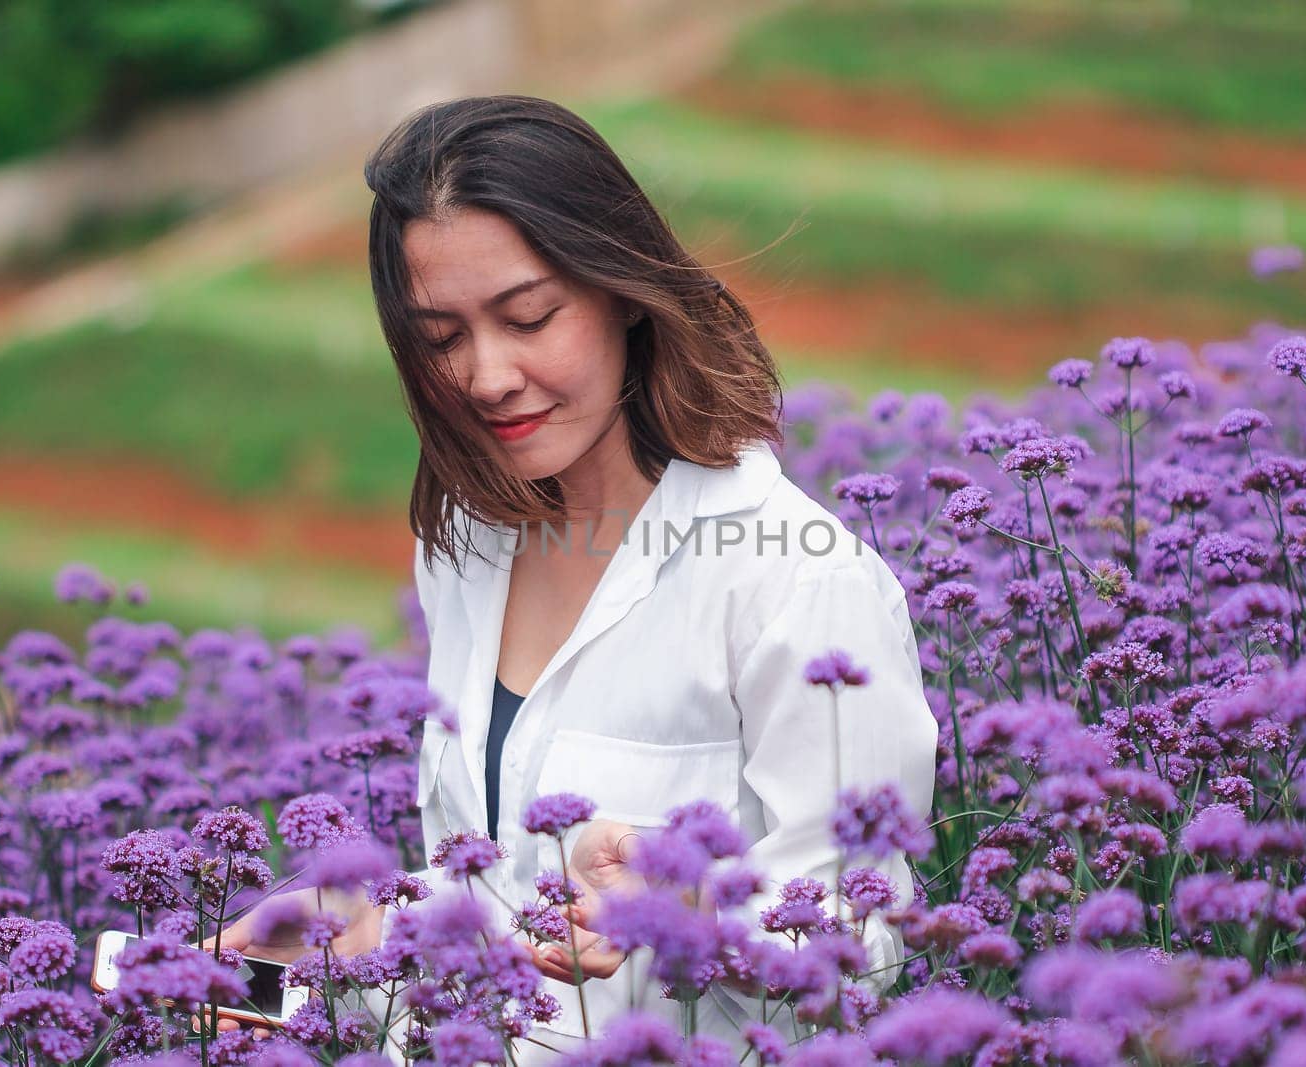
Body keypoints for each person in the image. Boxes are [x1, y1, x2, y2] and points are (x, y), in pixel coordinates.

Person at [208, 95, 939, 1063]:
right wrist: (371, 927)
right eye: (440, 338)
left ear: (622, 290)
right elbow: (507, 888)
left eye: (527, 317)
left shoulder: (790, 579)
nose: (486, 375)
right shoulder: (468, 541)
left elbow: (865, 948)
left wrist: (685, 917)